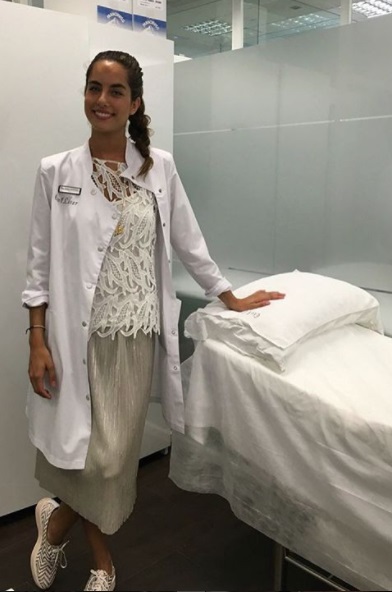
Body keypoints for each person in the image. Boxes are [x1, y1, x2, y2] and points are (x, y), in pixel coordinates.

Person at [22, 50, 284, 592]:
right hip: (76, 341)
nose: (102, 100)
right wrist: (37, 341)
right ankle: (103, 564)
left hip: (136, 336)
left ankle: (55, 524)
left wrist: (228, 295)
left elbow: (189, 240)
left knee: (112, 460)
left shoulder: (157, 167)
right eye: (94, 88)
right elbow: (38, 264)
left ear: (134, 102)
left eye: (115, 91)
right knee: (92, 459)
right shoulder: (56, 171)